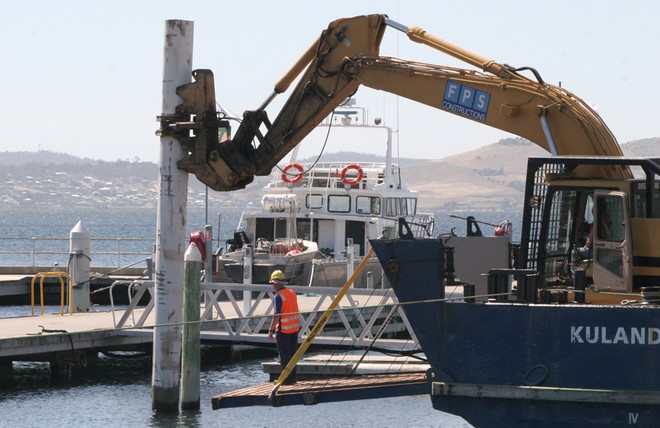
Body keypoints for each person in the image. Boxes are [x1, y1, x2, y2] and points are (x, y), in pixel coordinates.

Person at [267, 270, 300, 385]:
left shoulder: (278, 296)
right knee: (292, 356)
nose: (272, 286)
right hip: (294, 329)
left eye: (272, 283)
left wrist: (271, 330)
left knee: (284, 356)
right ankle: (293, 379)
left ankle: (286, 380)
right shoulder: (291, 292)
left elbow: (277, 315)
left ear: (275, 284)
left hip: (283, 330)